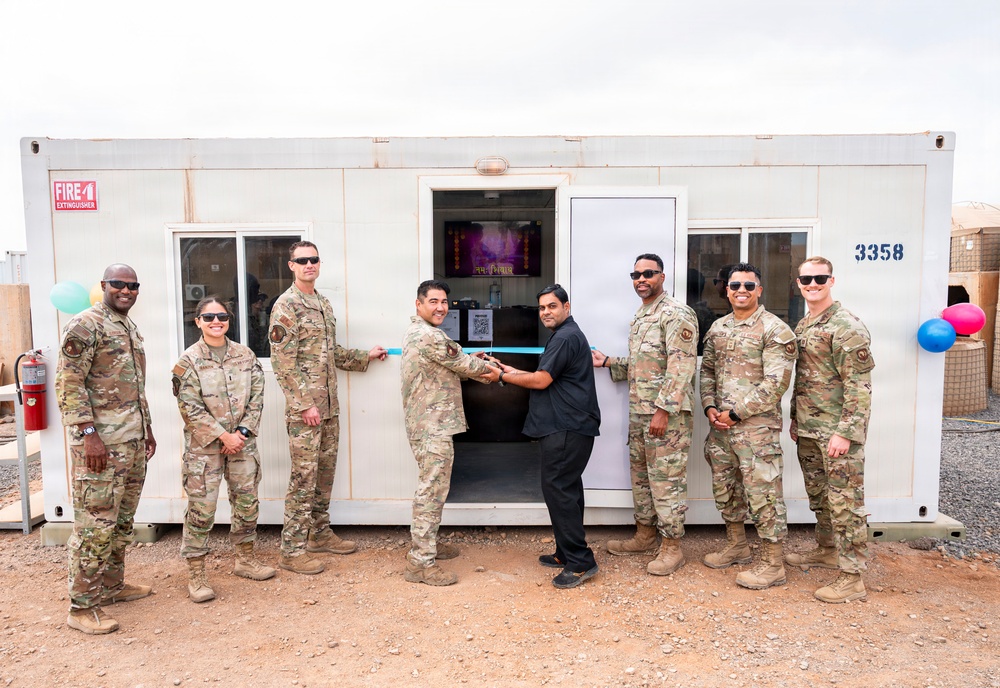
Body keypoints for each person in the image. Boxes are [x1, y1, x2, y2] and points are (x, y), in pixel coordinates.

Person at [269, 241, 388, 575]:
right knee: (303, 479)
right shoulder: (286, 306)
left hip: (329, 408)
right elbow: (283, 363)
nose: (309, 264)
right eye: (302, 260)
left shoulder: (322, 303)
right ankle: (291, 551)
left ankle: (318, 534)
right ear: (291, 265)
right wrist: (304, 405)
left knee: (323, 476)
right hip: (306, 412)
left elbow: (330, 352)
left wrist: (365, 356)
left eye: (314, 259)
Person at [55, 264, 157, 635]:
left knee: (122, 521)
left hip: (130, 442)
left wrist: (147, 429)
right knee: (94, 527)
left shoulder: (128, 326)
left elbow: (133, 387)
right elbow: (69, 382)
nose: (126, 291)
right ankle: (82, 607)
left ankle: (112, 585)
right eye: (118, 284)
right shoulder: (86, 325)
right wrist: (88, 433)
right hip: (99, 447)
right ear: (104, 285)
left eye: (133, 285)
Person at [592, 255, 698, 577]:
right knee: (641, 479)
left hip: (666, 416)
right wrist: (609, 362)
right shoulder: (642, 315)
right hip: (640, 413)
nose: (641, 279)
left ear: (662, 277)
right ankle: (645, 535)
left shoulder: (675, 313)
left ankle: (672, 548)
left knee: (666, 481)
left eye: (648, 273)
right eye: (636, 274)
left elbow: (681, 366)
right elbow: (646, 364)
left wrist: (663, 410)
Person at [700, 262, 797, 590]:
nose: (742, 291)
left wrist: (736, 414)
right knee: (725, 488)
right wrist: (709, 407)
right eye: (735, 285)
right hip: (721, 429)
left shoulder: (775, 330)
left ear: (759, 290)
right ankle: (737, 545)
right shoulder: (718, 327)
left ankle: (773, 564)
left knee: (764, 494)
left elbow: (775, 384)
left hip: (756, 430)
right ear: (726, 290)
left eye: (748, 286)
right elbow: (707, 371)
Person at [497, 285, 601, 588]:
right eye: (542, 308)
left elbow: (541, 381)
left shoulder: (565, 337)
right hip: (568, 425)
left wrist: (501, 376)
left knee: (559, 490)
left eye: (552, 306)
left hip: (566, 427)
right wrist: (511, 370)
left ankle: (580, 561)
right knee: (567, 490)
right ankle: (566, 552)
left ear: (566, 307)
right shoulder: (564, 335)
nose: (546, 312)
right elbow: (551, 377)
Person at [172, 296, 276, 603]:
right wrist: (223, 436)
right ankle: (196, 573)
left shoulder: (245, 355)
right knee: (201, 510)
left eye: (222, 316)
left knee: (247, 503)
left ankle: (245, 559)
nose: (216, 322)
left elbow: (257, 396)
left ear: (229, 320)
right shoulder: (189, 361)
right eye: (209, 317)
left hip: (242, 444)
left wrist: (241, 433)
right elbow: (189, 407)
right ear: (198, 321)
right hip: (204, 450)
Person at [786, 257, 874, 603]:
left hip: (837, 433)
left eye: (820, 278)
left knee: (845, 503)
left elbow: (859, 386)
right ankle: (827, 550)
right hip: (810, 429)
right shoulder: (805, 324)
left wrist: (846, 432)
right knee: (821, 497)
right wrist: (796, 418)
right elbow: (805, 379)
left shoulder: (846, 326)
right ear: (798, 283)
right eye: (806, 279)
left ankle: (852, 577)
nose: (813, 284)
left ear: (831, 281)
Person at [400, 280, 500, 586]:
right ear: (418, 304)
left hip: (430, 423)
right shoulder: (429, 335)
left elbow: (451, 363)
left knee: (432, 488)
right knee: (431, 491)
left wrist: (470, 360)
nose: (441, 307)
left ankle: (427, 545)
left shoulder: (424, 332)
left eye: (444, 302)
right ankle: (421, 563)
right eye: (433, 301)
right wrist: (495, 372)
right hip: (432, 426)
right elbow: (462, 364)